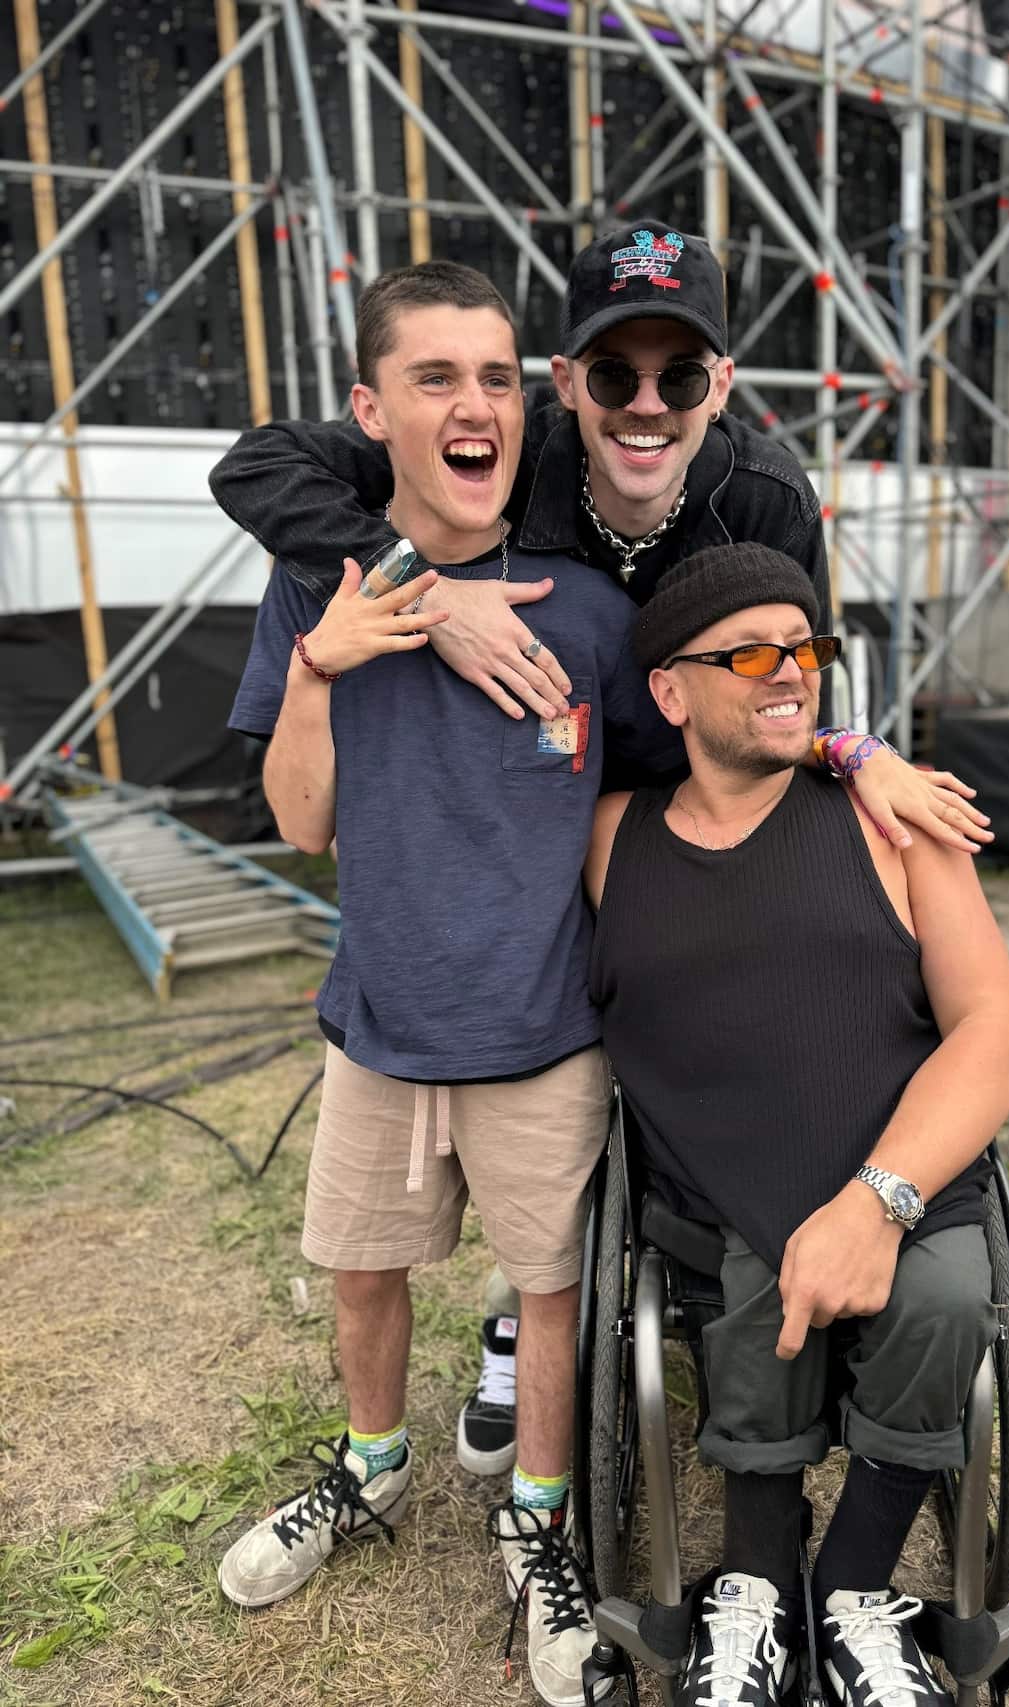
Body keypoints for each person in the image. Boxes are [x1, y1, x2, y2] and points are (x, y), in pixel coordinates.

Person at [209, 227, 994, 1481]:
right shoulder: (502, 448)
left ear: (718, 387)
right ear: (561, 384)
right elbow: (260, 465)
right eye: (609, 375)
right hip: (538, 789)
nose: (645, 403)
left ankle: (682, 1257)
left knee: (709, 1011)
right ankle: (516, 1335)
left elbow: (786, 679)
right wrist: (428, 591)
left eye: (677, 379)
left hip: (680, 757)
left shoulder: (765, 501)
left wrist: (852, 753)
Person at [217, 258, 690, 1707]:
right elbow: (300, 824)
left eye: (494, 376)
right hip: (379, 1017)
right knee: (363, 1268)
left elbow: (664, 797)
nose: (471, 404)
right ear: (373, 411)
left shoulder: (595, 619)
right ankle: (370, 1467)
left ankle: (537, 1518)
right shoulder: (320, 579)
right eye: (435, 378)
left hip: (547, 1033)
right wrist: (322, 664)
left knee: (549, 1288)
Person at [583, 544, 1009, 1707]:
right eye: (751, 653)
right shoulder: (606, 841)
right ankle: (755, 1584)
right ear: (671, 693)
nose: (791, 672)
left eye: (807, 648)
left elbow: (991, 1032)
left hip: (897, 1171)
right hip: (710, 1199)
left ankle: (848, 1588)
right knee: (739, 1274)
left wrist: (874, 1205)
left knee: (938, 1297)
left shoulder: (895, 825)